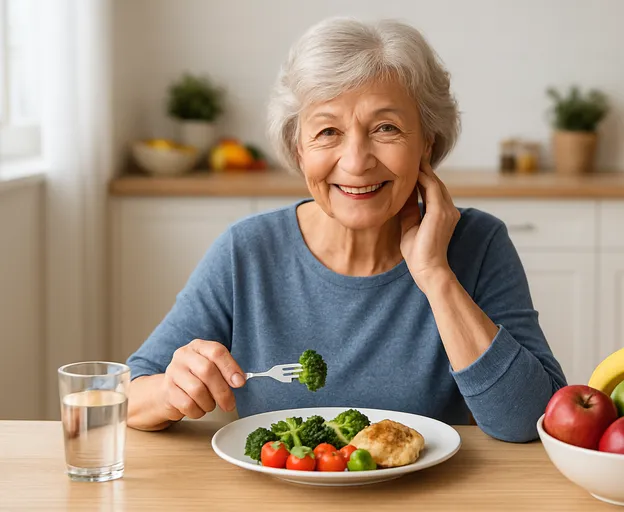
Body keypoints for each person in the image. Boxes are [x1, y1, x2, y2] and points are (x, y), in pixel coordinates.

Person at [125, 17, 566, 442]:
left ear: (426, 145)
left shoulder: (478, 244)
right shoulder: (247, 251)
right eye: (328, 131)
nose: (356, 162)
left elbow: (528, 419)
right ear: (299, 149)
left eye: (386, 128)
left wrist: (435, 275)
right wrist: (171, 389)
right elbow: (128, 396)